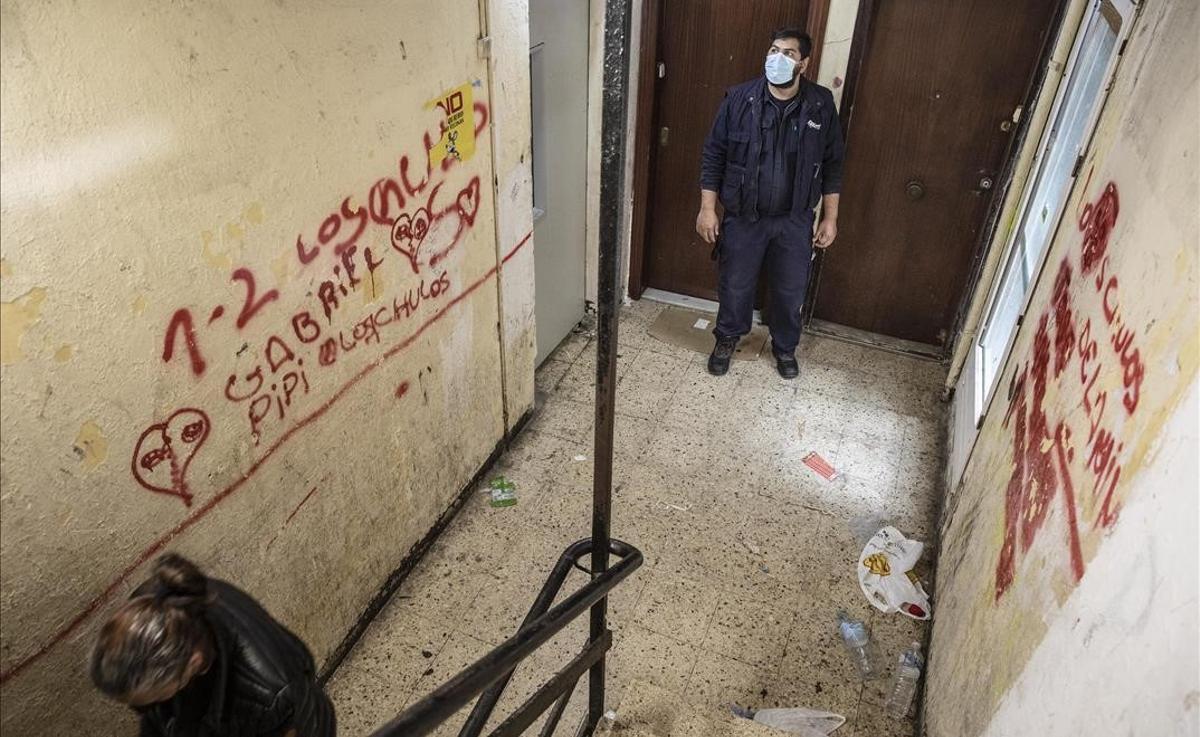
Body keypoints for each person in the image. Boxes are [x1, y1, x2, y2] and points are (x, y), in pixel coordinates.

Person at [697, 27, 845, 379]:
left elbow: (833, 164)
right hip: (744, 216)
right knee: (735, 283)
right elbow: (713, 155)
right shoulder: (738, 99)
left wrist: (830, 218)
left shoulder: (820, 104)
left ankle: (784, 347)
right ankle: (727, 337)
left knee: (790, 288)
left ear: (803, 64)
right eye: (774, 50)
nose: (778, 58)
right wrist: (707, 208)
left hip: (794, 220)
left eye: (789, 54)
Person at [90, 553, 336, 737]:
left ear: (193, 663)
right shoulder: (158, 605)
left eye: (150, 700)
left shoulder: (271, 695)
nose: (140, 709)